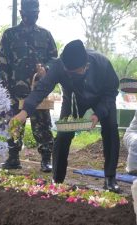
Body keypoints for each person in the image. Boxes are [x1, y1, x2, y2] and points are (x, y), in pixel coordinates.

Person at [11, 39, 121, 193]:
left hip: (102, 98)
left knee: (111, 129)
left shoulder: (102, 64)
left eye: (75, 72)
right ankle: (57, 178)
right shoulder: (59, 65)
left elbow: (111, 93)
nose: (71, 74)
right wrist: (24, 112)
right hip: (73, 99)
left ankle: (110, 178)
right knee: (63, 135)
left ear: (86, 66)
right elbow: (42, 89)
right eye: (69, 72)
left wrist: (98, 114)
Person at [0, 0, 58, 173]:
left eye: (35, 12)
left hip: (38, 89)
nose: (32, 15)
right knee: (14, 124)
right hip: (14, 90)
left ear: (38, 12)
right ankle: (13, 158)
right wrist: (2, 90)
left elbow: (54, 60)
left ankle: (46, 159)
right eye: (28, 12)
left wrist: (45, 69)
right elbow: (2, 63)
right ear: (21, 12)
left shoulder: (46, 35)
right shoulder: (9, 35)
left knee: (42, 125)